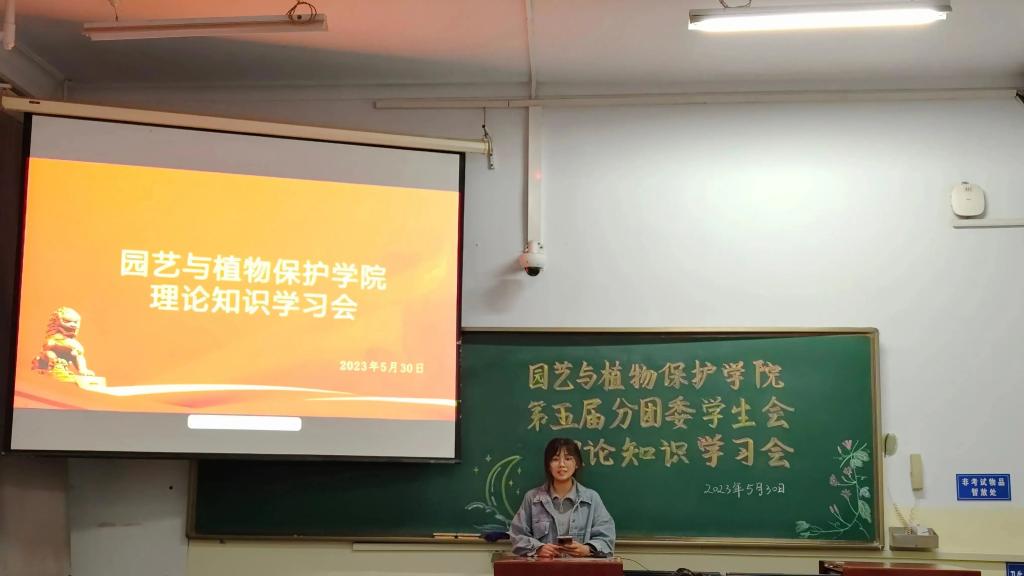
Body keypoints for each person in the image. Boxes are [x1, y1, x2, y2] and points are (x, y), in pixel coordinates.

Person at [509, 437, 615, 558]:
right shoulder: (532, 498)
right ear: (548, 465)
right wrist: (538, 549)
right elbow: (517, 534)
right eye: (555, 459)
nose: (562, 464)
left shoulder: (591, 498)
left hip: (580, 567)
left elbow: (607, 537)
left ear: (577, 464)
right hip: (543, 567)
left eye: (568, 458)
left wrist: (587, 549)